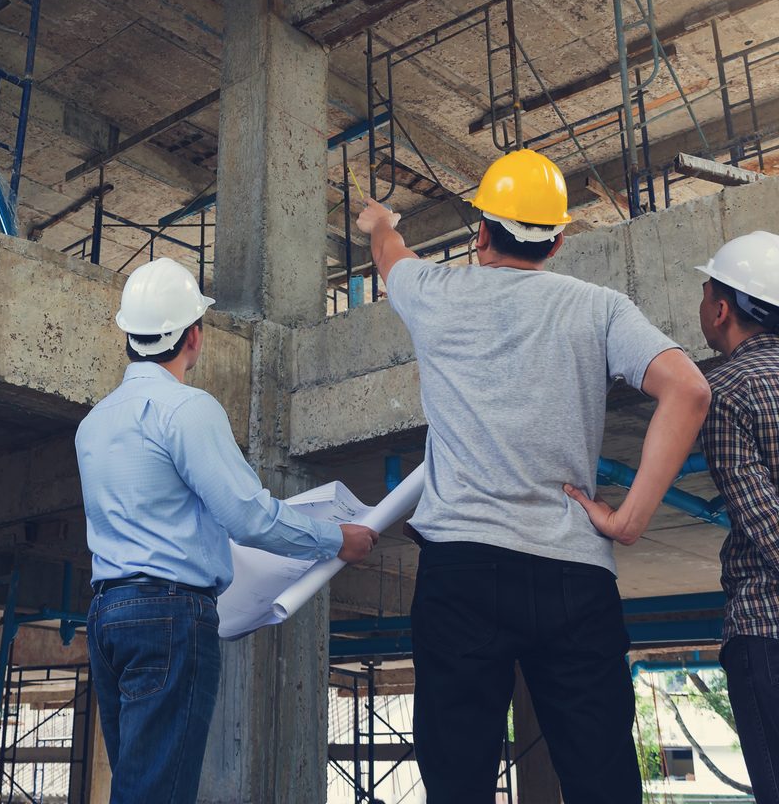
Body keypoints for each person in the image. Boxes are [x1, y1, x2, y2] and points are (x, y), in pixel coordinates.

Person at [355, 148, 711, 804]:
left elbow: (390, 256)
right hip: (574, 573)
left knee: (457, 782)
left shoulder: (435, 293)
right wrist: (628, 520)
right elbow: (687, 390)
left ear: (481, 232)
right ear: (559, 239)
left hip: (460, 573)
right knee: (602, 778)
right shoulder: (600, 308)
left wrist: (381, 221)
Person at [75, 256, 378, 804]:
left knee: (138, 783)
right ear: (194, 336)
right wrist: (338, 539)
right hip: (169, 615)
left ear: (127, 335)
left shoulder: (94, 422)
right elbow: (248, 517)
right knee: (158, 792)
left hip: (107, 615)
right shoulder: (188, 410)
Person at [696, 231, 779, 803]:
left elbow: (764, 522)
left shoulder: (724, 389)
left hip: (767, 627)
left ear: (722, 310)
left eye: (704, 294)